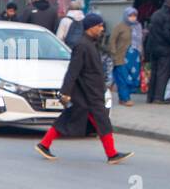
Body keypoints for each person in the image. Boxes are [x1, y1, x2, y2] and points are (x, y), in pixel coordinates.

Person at [36, 13, 132, 163]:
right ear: (91, 27)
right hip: (86, 93)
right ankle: (112, 154)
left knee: (85, 120)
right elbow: (73, 70)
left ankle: (44, 144)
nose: (101, 29)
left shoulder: (91, 44)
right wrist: (65, 92)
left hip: (91, 93)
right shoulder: (82, 45)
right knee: (99, 121)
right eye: (99, 26)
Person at [146, 0, 170, 103]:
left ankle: (150, 97)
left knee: (154, 72)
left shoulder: (155, 13)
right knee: (162, 73)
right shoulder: (167, 15)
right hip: (164, 49)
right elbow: (167, 33)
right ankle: (158, 97)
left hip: (154, 48)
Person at [107, 7, 141, 106]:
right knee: (123, 79)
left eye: (135, 16)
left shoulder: (138, 26)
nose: (133, 18)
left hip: (134, 58)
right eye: (130, 15)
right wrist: (113, 52)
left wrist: (141, 54)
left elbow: (139, 42)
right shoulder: (120, 27)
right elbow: (112, 40)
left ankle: (123, 98)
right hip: (121, 57)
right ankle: (126, 98)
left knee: (133, 79)